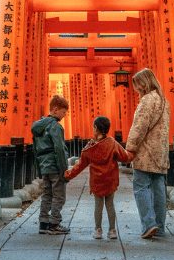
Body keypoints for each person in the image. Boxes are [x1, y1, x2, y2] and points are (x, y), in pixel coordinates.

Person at [64, 116, 134, 239]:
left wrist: (68, 175)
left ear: (96, 128)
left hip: (97, 182)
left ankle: (98, 230)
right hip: (110, 180)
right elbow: (125, 157)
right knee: (110, 204)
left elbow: (80, 165)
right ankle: (112, 231)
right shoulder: (112, 143)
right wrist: (134, 152)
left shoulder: (90, 148)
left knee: (98, 206)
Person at [125, 68, 171, 239]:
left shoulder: (147, 100)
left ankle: (148, 224)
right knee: (158, 188)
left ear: (143, 83)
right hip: (161, 152)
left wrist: (130, 147)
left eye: (137, 85)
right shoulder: (164, 101)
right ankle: (160, 226)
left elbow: (140, 126)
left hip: (145, 151)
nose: (137, 89)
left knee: (141, 186)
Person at [31, 94, 71, 235]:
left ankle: (43, 223)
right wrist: (64, 170)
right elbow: (59, 149)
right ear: (55, 109)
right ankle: (54, 223)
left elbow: (35, 148)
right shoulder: (55, 126)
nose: (64, 115)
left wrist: (39, 167)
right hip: (54, 165)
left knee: (47, 193)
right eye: (63, 112)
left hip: (44, 165)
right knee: (59, 195)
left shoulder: (39, 127)